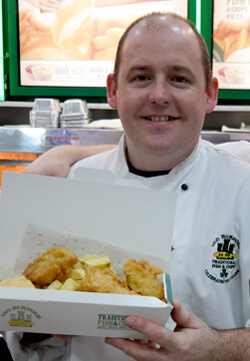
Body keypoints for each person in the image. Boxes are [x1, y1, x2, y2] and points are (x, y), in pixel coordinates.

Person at [5, 11, 250, 361]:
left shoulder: (243, 187)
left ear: (210, 95)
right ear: (113, 91)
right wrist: (44, 322)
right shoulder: (73, 183)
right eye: (141, 77)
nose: (159, 95)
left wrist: (218, 350)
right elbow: (30, 335)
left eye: (180, 78)